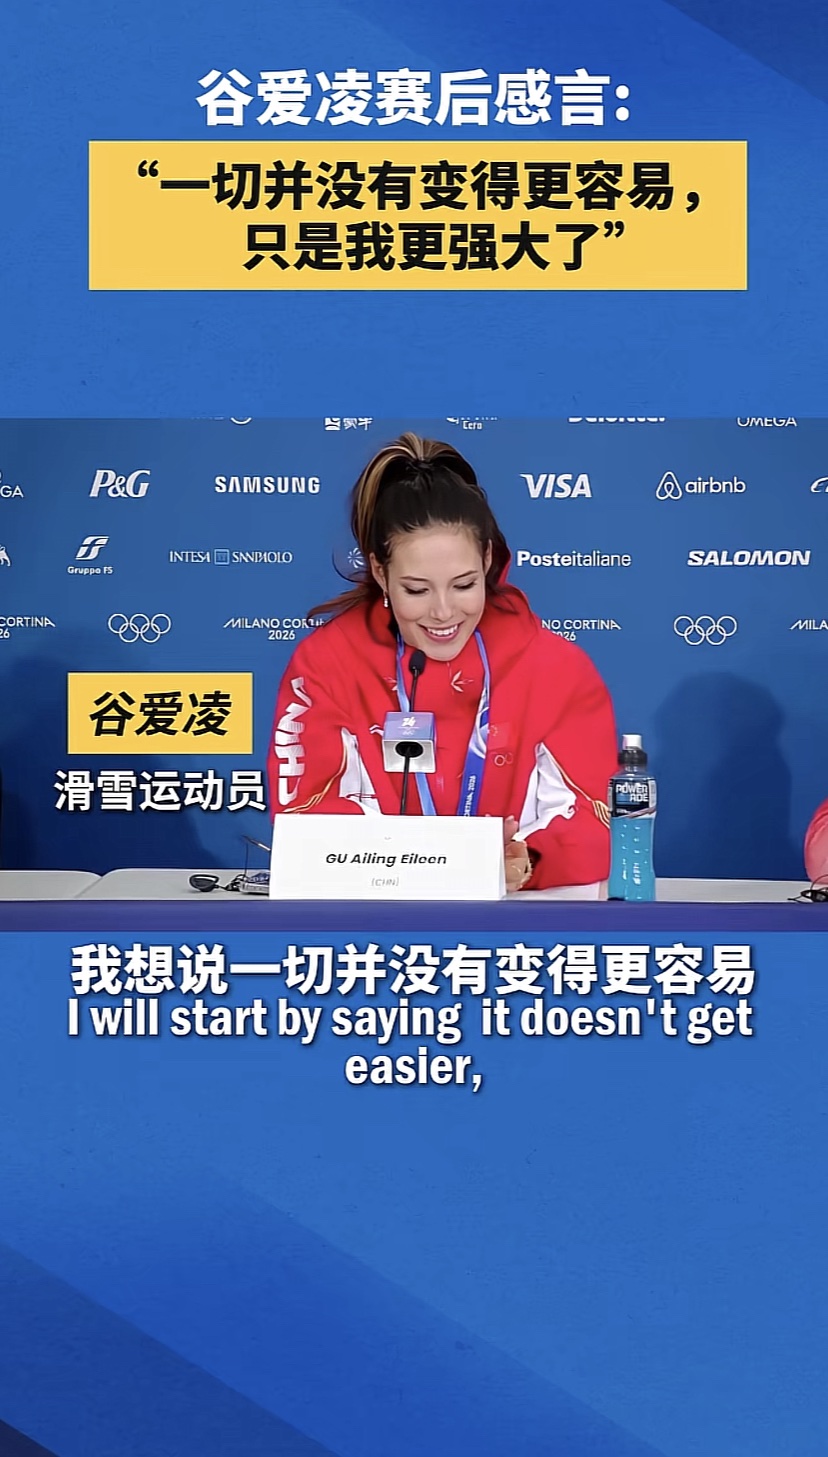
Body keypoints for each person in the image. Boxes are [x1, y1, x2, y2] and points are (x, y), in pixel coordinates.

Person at [267, 433, 618, 891]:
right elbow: (303, 823)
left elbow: (598, 821)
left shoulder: (557, 667)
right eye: (417, 590)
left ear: (488, 560)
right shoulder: (325, 663)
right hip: (372, 918)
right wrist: (428, 867)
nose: (444, 612)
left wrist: (526, 861)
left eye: (464, 585)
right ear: (380, 572)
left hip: (512, 923)